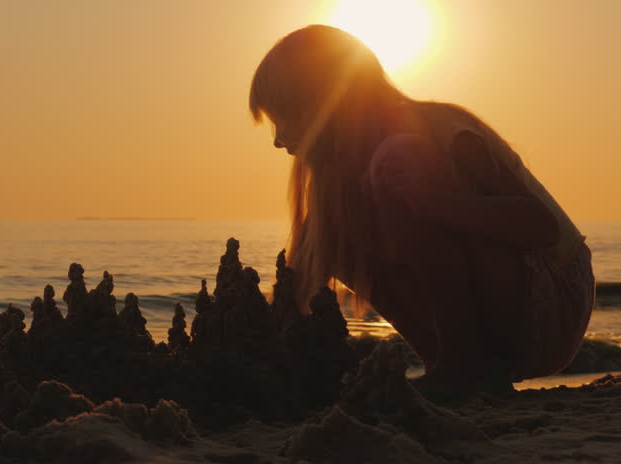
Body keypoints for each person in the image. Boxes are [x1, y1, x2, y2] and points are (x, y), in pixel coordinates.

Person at [249, 24, 594, 397]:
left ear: (320, 103)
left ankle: (460, 365)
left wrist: (437, 206)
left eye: (282, 117)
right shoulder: (336, 182)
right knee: (330, 231)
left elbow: (542, 228)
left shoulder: (437, 128)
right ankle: (458, 367)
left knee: (396, 162)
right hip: (497, 318)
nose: (278, 140)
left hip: (552, 300)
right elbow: (302, 275)